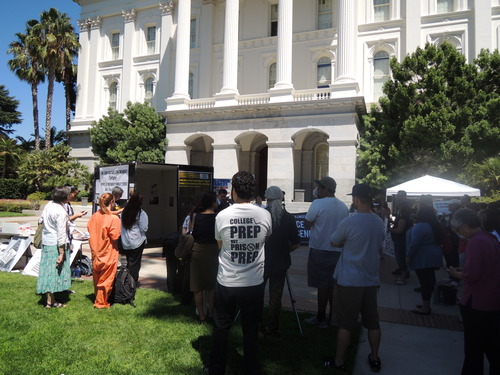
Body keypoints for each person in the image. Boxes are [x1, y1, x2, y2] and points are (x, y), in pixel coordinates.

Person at [204, 171, 272, 375]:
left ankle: (216, 369)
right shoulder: (265, 214)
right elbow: (265, 239)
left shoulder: (222, 215)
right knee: (251, 330)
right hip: (254, 282)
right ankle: (252, 368)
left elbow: (220, 244)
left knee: (221, 327)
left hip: (228, 281)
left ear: (234, 190)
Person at [327, 183, 385, 372]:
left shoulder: (350, 222)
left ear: (356, 199)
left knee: (345, 324)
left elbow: (334, 241)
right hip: (370, 279)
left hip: (349, 280)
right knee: (373, 322)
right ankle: (375, 357)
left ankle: (339, 361)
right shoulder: (378, 221)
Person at [448, 208, 500, 375]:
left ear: (464, 225)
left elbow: (473, 275)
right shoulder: (490, 238)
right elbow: (487, 267)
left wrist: (458, 274)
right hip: (492, 300)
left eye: (458, 230)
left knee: (473, 348)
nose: (458, 234)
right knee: (490, 345)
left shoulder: (475, 242)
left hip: (476, 301)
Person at [304, 176, 349, 328]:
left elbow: (307, 223)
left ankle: (321, 317)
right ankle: (333, 317)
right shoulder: (343, 206)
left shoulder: (318, 203)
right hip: (337, 251)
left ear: (324, 189)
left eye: (319, 187)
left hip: (320, 249)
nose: (316, 190)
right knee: (333, 287)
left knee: (322, 286)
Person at [262, 186, 300, 338]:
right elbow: (296, 243)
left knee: (258, 294)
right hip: (280, 261)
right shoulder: (289, 218)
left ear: (267, 198)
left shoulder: (261, 215)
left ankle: (254, 323)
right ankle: (271, 328)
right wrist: (285, 250)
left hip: (262, 261)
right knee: (275, 297)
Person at [36, 186, 72, 308]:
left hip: (47, 242)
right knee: (53, 272)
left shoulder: (49, 205)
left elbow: (40, 220)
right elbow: (61, 234)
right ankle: (51, 302)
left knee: (47, 271)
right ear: (65, 197)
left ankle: (49, 299)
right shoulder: (60, 211)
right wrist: (61, 253)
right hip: (55, 244)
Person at [406, 205, 443, 315]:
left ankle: (425, 307)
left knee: (425, 282)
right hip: (433, 254)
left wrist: (408, 256)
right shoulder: (434, 224)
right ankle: (426, 304)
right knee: (429, 280)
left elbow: (414, 243)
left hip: (423, 257)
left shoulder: (421, 226)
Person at [87, 193, 121, 308]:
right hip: (108, 251)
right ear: (112, 202)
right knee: (106, 279)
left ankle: (98, 297)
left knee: (97, 277)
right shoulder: (114, 219)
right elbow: (115, 237)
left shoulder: (95, 216)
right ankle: (101, 302)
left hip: (96, 251)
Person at [189, 191, 219, 322]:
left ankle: (201, 314)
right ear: (213, 203)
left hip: (197, 251)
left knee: (197, 286)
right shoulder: (218, 218)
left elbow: (191, 233)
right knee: (211, 285)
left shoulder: (195, 217)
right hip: (213, 251)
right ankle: (211, 312)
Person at [120, 193, 148, 284]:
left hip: (126, 242)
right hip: (137, 241)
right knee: (135, 264)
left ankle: (127, 281)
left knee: (129, 262)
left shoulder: (124, 212)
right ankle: (132, 283)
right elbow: (144, 228)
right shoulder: (141, 213)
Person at [389, 190, 413, 285]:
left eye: (400, 196)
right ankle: (404, 273)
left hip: (401, 239)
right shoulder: (403, 213)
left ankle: (403, 278)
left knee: (401, 258)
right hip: (402, 239)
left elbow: (399, 230)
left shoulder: (403, 215)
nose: (398, 198)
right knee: (401, 258)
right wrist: (392, 221)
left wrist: (388, 229)